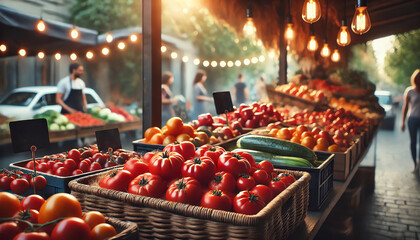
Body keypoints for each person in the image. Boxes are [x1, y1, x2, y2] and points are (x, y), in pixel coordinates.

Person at [401, 69, 420, 172]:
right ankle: (415, 163)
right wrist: (403, 122)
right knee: (413, 142)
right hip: (412, 119)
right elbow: (405, 108)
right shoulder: (410, 91)